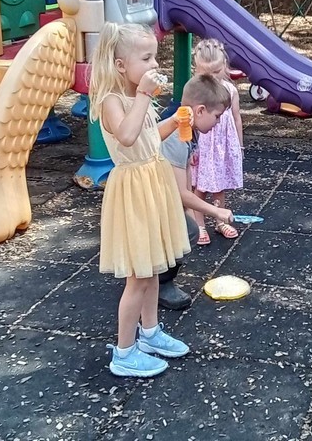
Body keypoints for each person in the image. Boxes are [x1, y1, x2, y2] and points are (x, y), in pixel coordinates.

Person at [89, 22, 191, 377]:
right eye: (146, 58)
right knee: (137, 276)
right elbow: (128, 137)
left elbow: (147, 137)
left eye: (155, 57)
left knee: (152, 268)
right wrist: (146, 95)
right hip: (133, 192)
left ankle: (150, 333)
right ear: (121, 65)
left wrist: (174, 122)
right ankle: (124, 352)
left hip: (152, 183)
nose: (154, 65)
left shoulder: (137, 97)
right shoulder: (112, 101)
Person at [161, 74, 235, 242]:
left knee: (189, 233)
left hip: (164, 198)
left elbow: (186, 177)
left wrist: (188, 213)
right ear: (200, 111)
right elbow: (180, 193)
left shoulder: (191, 131)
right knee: (183, 236)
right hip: (151, 201)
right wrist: (217, 211)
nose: (218, 122)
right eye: (217, 116)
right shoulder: (176, 139)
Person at [190, 40, 244, 244]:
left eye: (216, 71)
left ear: (225, 66)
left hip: (222, 146)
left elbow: (236, 118)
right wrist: (191, 149)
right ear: (196, 70)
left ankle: (220, 221)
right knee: (200, 188)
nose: (212, 77)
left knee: (219, 185)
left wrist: (239, 146)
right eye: (206, 73)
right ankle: (199, 225)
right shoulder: (196, 92)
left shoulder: (230, 90)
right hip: (204, 146)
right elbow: (187, 121)